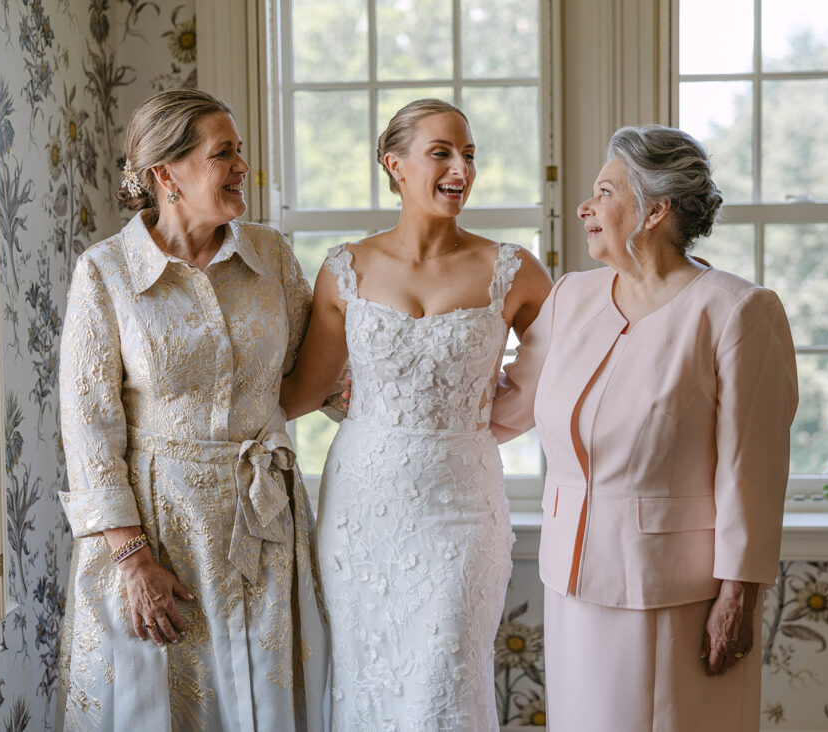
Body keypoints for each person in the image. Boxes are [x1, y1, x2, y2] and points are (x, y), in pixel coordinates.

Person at [491, 124, 798, 730]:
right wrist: (409, 409)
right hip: (569, 577)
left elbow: (753, 469)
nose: (585, 207)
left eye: (604, 191)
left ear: (655, 210)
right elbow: (513, 402)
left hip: (675, 591)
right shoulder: (572, 296)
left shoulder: (736, 310)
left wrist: (739, 593)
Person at [56, 89, 328, 731]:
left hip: (265, 526)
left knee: (263, 699)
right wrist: (132, 558)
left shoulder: (271, 257)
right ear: (165, 174)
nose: (243, 168)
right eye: (224, 153)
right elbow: (88, 427)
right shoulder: (106, 273)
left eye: (241, 152)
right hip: (153, 533)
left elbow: (314, 376)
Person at [280, 98, 553, 729]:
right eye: (442, 153)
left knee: (444, 683)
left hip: (462, 509)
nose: (461, 167)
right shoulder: (346, 269)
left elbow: (567, 363)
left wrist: (490, 419)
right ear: (395, 165)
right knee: (366, 684)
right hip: (361, 512)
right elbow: (303, 391)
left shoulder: (511, 269)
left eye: (469, 155)